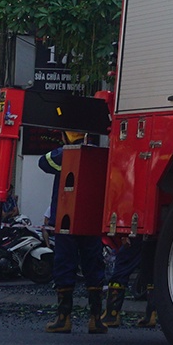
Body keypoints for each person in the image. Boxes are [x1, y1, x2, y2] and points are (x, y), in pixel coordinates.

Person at [40, 134, 107, 334]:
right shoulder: (98, 155)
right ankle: (95, 320)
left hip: (66, 218)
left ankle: (64, 319)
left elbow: (44, 162)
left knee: (64, 266)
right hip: (91, 219)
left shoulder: (64, 154)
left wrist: (65, 149)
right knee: (94, 266)